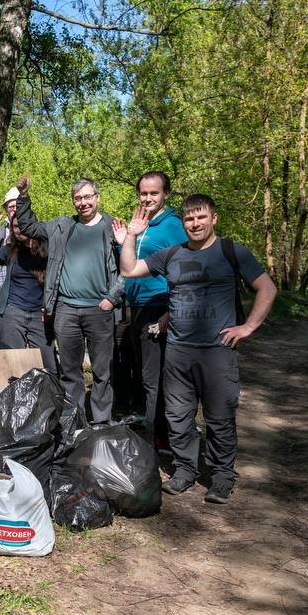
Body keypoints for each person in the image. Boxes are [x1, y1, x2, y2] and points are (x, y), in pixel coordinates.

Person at [117, 194, 277, 505]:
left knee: (219, 418)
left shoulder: (231, 251)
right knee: (178, 417)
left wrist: (248, 327)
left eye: (201, 217)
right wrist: (132, 235)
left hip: (217, 352)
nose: (195, 223)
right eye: (190, 218)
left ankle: (221, 477)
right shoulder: (171, 254)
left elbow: (266, 288)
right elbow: (128, 270)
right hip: (178, 351)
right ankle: (185, 470)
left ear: (213, 218)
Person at [14, 175, 124, 426]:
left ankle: (101, 423)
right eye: (78, 198)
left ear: (97, 197)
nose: (83, 203)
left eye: (87, 197)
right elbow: (29, 227)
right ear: (73, 201)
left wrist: (112, 298)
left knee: (102, 371)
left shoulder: (112, 226)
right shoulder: (61, 226)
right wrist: (23, 197)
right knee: (70, 370)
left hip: (100, 309)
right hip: (66, 309)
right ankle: (74, 422)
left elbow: (126, 267)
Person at [111, 171, 186, 442]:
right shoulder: (141, 223)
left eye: (154, 193)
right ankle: (157, 433)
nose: (148, 198)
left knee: (156, 378)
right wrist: (124, 243)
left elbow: (184, 270)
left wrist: (170, 312)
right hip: (138, 307)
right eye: (143, 193)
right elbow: (129, 267)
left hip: (161, 306)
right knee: (146, 377)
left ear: (166, 193)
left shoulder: (173, 225)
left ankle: (160, 439)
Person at [0, 199, 55, 374]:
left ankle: (49, 399)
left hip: (40, 314)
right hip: (13, 312)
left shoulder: (48, 248)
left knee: (48, 364)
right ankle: (12, 400)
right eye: (15, 226)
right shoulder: (11, 249)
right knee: (11, 365)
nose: (18, 229)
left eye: (22, 225)